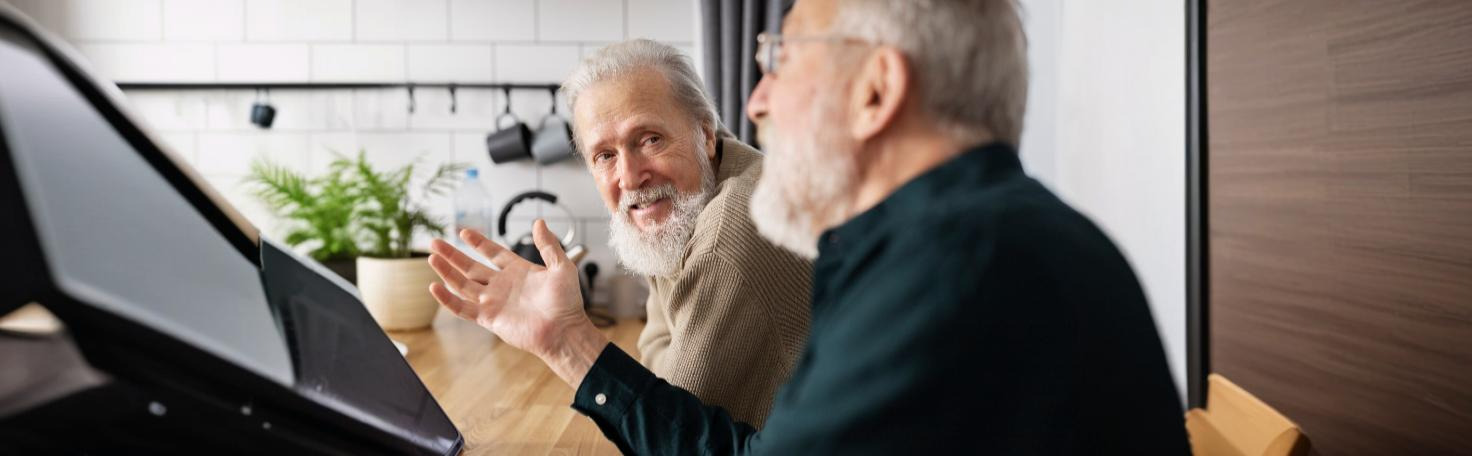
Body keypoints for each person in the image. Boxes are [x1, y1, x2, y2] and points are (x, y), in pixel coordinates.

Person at [426, 0, 1188, 453]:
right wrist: (566, 338)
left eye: (781, 62)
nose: (758, 103)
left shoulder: (951, 271)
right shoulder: (978, 239)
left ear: (876, 90)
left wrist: (568, 342)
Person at [427, 40, 812, 427]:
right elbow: (656, 354)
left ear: (705, 134)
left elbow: (670, 433)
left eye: (650, 139)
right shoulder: (688, 206)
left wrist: (566, 340)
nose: (629, 177)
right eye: (605, 156)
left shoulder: (728, 234)